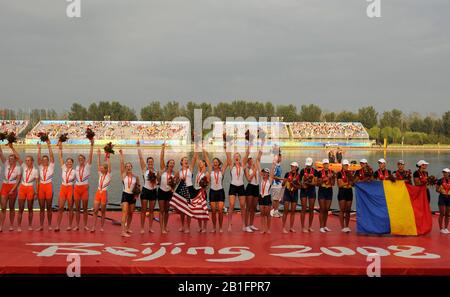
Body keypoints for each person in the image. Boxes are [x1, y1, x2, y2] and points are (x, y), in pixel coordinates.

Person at [226, 144, 249, 232]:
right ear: (233, 158)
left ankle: (243, 224)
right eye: (235, 156)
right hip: (233, 186)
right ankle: (229, 224)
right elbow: (227, 155)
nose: (236, 158)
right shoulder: (231, 165)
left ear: (240, 158)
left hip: (241, 186)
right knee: (231, 205)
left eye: (238, 156)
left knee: (243, 205)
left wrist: (249, 143)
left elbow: (247, 154)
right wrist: (227, 143)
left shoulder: (243, 165)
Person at [204, 150, 228, 233]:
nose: (215, 163)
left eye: (216, 162)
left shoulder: (222, 171)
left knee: (220, 211)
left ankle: (220, 227)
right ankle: (214, 227)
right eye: (213, 162)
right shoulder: (211, 170)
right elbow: (206, 159)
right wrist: (204, 151)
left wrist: (226, 149)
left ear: (219, 163)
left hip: (220, 192)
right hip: (212, 192)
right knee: (213, 211)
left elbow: (228, 161)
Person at [137, 140, 158, 233]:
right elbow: (140, 158)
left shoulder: (156, 171)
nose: (150, 163)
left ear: (153, 162)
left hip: (153, 191)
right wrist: (138, 146)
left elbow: (158, 182)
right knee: (144, 210)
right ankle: (142, 227)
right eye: (149, 162)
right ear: (147, 162)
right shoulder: (144, 169)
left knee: (151, 211)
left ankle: (150, 227)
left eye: (151, 162)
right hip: (145, 191)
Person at [0, 143, 22, 232]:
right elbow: (1, 153)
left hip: (13, 187)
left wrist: (13, 189)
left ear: (15, 160)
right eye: (9, 159)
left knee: (12, 207)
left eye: (12, 159)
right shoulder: (6, 164)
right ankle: (1, 225)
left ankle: (11, 225)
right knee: (3, 207)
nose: (10, 160)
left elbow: (18, 180)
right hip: (4, 186)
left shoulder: (18, 168)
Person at [73, 138, 94, 231]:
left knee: (85, 209)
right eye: (79, 159)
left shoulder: (88, 166)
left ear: (85, 160)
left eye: (82, 159)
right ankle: (77, 225)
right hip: (77, 188)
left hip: (84, 188)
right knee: (77, 208)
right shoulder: (76, 167)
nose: (80, 160)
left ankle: (85, 225)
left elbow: (90, 156)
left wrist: (92, 145)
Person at [119, 149, 140, 237]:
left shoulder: (136, 177)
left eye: (129, 166)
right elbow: (121, 164)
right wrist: (121, 155)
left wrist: (137, 194)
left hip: (132, 196)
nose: (128, 167)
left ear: (131, 167)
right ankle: (122, 231)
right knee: (124, 212)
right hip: (125, 195)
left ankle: (128, 228)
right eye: (127, 166)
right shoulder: (123, 175)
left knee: (131, 213)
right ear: (125, 168)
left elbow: (138, 187)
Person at [55, 141, 76, 231]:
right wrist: (60, 148)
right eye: (67, 162)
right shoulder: (63, 168)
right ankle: (58, 226)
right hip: (63, 188)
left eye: (70, 163)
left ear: (72, 163)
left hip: (70, 188)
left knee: (70, 208)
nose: (68, 164)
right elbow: (60, 157)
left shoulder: (75, 171)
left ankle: (70, 225)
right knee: (60, 208)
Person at [90, 148, 111, 232]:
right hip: (98, 193)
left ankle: (101, 227)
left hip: (104, 193)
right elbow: (98, 164)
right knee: (95, 211)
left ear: (106, 169)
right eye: (101, 168)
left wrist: (108, 156)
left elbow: (109, 166)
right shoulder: (100, 174)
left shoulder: (109, 175)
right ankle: (93, 227)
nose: (101, 169)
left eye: (102, 168)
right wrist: (98, 155)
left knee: (102, 211)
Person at [158, 143, 177, 234]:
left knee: (167, 211)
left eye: (173, 163)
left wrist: (173, 189)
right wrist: (163, 148)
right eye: (170, 163)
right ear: (168, 164)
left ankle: (165, 226)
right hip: (161, 191)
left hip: (169, 193)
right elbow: (161, 158)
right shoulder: (163, 170)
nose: (172, 164)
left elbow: (175, 184)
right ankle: (161, 228)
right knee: (161, 210)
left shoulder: (175, 173)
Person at [17, 154, 39, 232]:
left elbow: (37, 182)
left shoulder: (35, 170)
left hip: (30, 188)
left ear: (32, 161)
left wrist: (37, 193)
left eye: (28, 160)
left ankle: (30, 225)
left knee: (30, 208)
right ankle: (19, 226)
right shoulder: (24, 167)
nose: (27, 162)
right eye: (26, 160)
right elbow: (18, 157)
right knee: (21, 208)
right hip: (22, 187)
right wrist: (11, 147)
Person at [36, 140, 55, 231]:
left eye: (45, 160)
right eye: (43, 160)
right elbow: (38, 159)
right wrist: (39, 149)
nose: (44, 161)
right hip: (41, 187)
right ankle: (41, 225)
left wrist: (48, 145)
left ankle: (50, 225)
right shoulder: (40, 167)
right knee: (42, 207)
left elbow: (51, 156)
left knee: (49, 207)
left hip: (48, 186)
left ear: (48, 161)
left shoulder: (51, 166)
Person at [255, 150, 275, 234]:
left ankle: (268, 228)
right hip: (261, 196)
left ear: (268, 174)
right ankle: (263, 228)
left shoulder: (270, 180)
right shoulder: (260, 179)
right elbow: (257, 162)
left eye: (265, 172)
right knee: (262, 214)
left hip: (267, 197)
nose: (263, 173)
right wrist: (260, 153)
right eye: (262, 172)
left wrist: (274, 158)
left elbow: (273, 167)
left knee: (268, 214)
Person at [316, 159, 335, 233]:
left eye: (327, 164)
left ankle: (325, 226)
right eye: (324, 164)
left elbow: (333, 184)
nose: (326, 165)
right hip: (322, 190)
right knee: (322, 209)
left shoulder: (332, 172)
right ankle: (321, 227)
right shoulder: (319, 172)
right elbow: (318, 183)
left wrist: (332, 178)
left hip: (329, 190)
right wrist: (327, 177)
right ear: (323, 165)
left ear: (328, 164)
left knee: (327, 209)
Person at [299, 157, 317, 233]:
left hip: (311, 190)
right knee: (303, 208)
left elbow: (315, 183)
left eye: (309, 165)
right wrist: (302, 185)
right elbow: (300, 181)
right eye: (307, 165)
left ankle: (310, 226)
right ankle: (303, 227)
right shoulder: (302, 170)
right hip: (304, 190)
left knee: (311, 209)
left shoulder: (315, 171)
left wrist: (308, 183)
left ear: (312, 164)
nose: (308, 166)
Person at [281, 162, 300, 233]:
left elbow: (300, 187)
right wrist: (284, 181)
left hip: (294, 194)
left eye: (294, 166)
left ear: (296, 168)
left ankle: (291, 227)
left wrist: (293, 184)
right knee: (285, 211)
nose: (292, 167)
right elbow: (283, 185)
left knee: (293, 211)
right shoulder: (287, 174)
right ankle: (283, 227)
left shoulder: (299, 175)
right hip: (287, 193)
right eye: (291, 166)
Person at [337, 160, 354, 233]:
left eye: (347, 165)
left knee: (348, 210)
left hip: (349, 191)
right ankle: (342, 227)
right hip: (342, 192)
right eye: (345, 165)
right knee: (342, 209)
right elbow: (340, 185)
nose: (346, 166)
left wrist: (351, 182)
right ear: (342, 166)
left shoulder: (350, 173)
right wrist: (348, 182)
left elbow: (353, 183)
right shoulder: (339, 173)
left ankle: (347, 226)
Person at [244, 151, 259, 233]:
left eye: (251, 158)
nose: (250, 160)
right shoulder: (246, 168)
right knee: (248, 208)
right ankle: (246, 226)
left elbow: (259, 156)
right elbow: (249, 179)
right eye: (248, 159)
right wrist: (254, 171)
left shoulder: (255, 166)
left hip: (256, 187)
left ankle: (251, 224)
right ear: (247, 160)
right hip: (250, 187)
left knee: (254, 208)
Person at [436, 168, 450, 234]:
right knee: (442, 213)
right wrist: (440, 190)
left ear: (449, 173)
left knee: (447, 213)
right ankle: (441, 228)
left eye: (446, 172)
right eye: (444, 172)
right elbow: (437, 190)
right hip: (442, 197)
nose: (445, 174)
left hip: (449, 198)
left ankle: (446, 228)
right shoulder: (440, 180)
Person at [270, 153, 283, 218]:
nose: (281, 158)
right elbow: (273, 176)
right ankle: (274, 212)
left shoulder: (279, 165)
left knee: (277, 199)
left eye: (280, 157)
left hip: (279, 185)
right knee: (275, 199)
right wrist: (282, 179)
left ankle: (276, 211)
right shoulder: (275, 166)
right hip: (275, 185)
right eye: (279, 157)